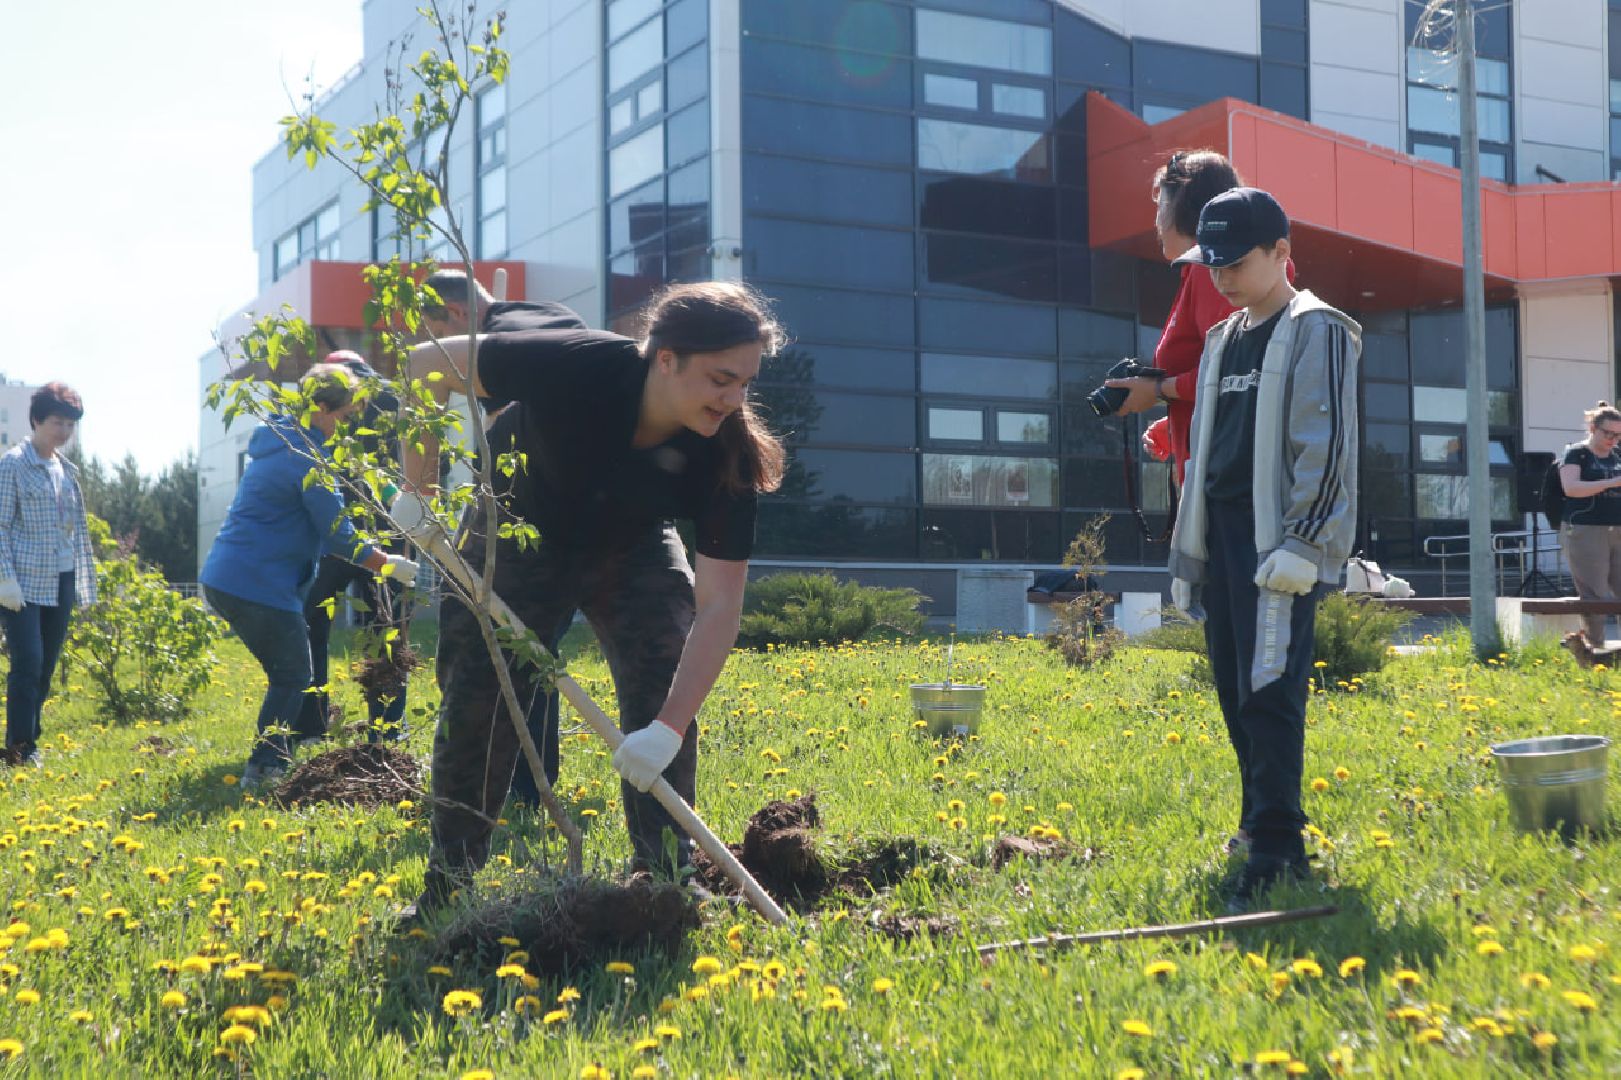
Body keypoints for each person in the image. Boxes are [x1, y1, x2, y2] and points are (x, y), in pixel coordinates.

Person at [394, 280, 786, 917]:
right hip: (519, 527)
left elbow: (717, 610)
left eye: (745, 382)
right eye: (721, 378)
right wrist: (420, 490)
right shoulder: (579, 364)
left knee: (663, 665)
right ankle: (447, 889)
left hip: (630, 543)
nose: (734, 399)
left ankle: (663, 881)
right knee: (481, 694)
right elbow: (426, 364)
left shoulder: (730, 456)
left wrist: (667, 727)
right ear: (665, 357)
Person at [1166, 188, 1361, 913]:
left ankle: (1280, 843)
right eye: (1209, 262)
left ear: (1281, 252)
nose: (1220, 277)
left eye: (1236, 262)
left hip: (1278, 539)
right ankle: (1257, 822)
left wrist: (1306, 542)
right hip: (1218, 535)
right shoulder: (1222, 337)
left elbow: (1328, 444)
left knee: (1269, 688)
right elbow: (1208, 450)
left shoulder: (1320, 330)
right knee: (1229, 686)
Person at [201, 364, 419, 788]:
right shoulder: (306, 458)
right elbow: (339, 536)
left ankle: (270, 760)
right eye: (341, 417)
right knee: (293, 675)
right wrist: (388, 563)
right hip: (255, 583)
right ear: (320, 407)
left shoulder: (280, 440)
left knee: (288, 672)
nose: (344, 427)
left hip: (229, 577)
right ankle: (264, 768)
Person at [421, 269, 579, 805]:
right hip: (578, 508)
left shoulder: (501, 341)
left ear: (459, 315)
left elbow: (510, 421)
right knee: (535, 646)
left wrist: (422, 493)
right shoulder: (550, 312)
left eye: (438, 330)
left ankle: (491, 784)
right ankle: (533, 784)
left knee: (476, 632)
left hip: (532, 511)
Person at [1104, 150, 1245, 483]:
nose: (1156, 221)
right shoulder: (1204, 273)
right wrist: (1179, 421)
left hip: (1222, 487)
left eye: (1160, 207)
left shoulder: (1211, 272)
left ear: (1182, 206)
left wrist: (1156, 391)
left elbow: (1233, 370)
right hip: (1218, 477)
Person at [294, 350, 411, 745]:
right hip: (388, 530)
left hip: (331, 529)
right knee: (387, 629)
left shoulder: (316, 395)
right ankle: (389, 728)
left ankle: (311, 727)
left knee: (312, 625)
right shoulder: (395, 397)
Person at [0, 383, 97, 767]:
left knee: (46, 664)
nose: (64, 431)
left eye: (70, 424)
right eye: (57, 422)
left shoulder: (64, 469)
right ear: (37, 420)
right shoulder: (12, 464)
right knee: (28, 662)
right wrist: (4, 578)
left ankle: (28, 742)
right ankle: (19, 748)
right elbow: (1, 525)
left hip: (62, 578)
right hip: (21, 583)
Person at [1557, 402, 1621, 651]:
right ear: (1593, 428)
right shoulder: (1576, 453)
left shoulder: (1618, 454)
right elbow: (1571, 488)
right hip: (1585, 530)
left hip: (1618, 528)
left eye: (1618, 435)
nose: (1613, 440)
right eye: (1608, 434)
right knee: (1594, 593)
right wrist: (1612, 482)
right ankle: (1594, 651)